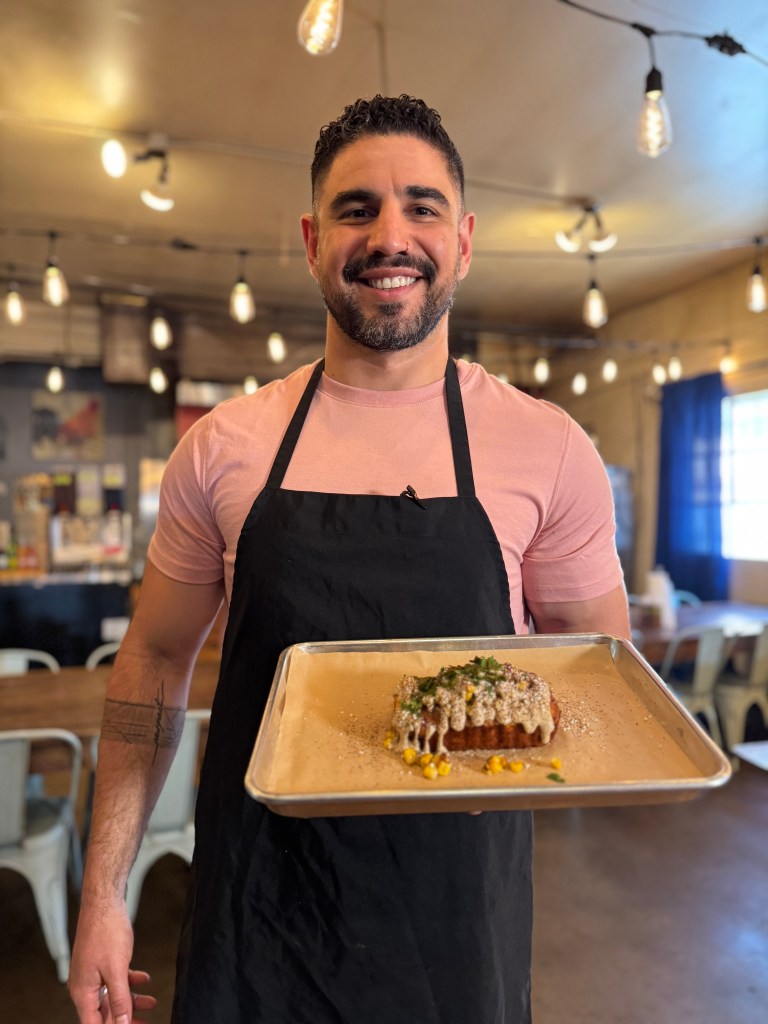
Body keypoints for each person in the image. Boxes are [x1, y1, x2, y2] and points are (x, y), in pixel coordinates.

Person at [69, 94, 630, 1024]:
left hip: (457, 921)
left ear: (464, 241)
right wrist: (101, 894)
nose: (390, 237)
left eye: (422, 207)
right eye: (356, 209)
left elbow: (601, 674)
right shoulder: (224, 446)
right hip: (256, 916)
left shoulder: (548, 448)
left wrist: (507, 747)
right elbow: (155, 659)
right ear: (312, 239)